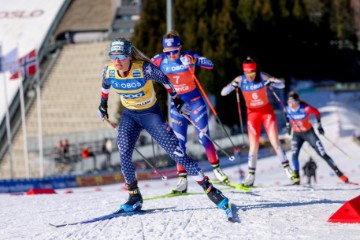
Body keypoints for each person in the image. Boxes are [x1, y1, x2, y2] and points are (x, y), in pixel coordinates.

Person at [97, 38, 231, 213]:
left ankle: (210, 189)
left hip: (150, 115)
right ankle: (134, 196)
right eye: (113, 56)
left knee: (176, 153)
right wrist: (103, 105)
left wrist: (177, 101)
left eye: (121, 56)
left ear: (129, 56)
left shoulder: (144, 69)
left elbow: (166, 81)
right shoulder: (109, 72)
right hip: (129, 116)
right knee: (124, 152)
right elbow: (105, 87)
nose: (117, 61)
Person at [151, 30, 229, 193]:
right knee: (179, 143)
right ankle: (182, 180)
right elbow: (143, 69)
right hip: (176, 105)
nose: (172, 55)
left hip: (195, 103)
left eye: (175, 51)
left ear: (180, 48)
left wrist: (192, 61)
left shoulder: (188, 56)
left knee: (203, 137)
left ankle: (217, 171)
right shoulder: (159, 60)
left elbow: (210, 64)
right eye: (169, 52)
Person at [220, 56, 299, 186]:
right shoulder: (240, 79)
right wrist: (232, 86)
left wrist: (272, 83)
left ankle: (289, 171)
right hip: (252, 115)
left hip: (266, 112)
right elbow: (223, 92)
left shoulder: (262, 76)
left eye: (252, 73)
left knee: (275, 142)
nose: (250, 76)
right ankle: (250, 176)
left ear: (256, 71)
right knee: (253, 146)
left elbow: (282, 84)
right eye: (247, 73)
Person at [284, 91, 349, 183]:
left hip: (309, 133)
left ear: (298, 101)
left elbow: (317, 113)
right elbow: (285, 115)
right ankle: (297, 179)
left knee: (322, 154)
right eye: (289, 102)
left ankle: (340, 174)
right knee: (294, 155)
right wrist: (288, 125)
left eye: (293, 102)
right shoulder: (287, 109)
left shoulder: (306, 108)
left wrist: (319, 125)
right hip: (297, 134)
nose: (291, 105)